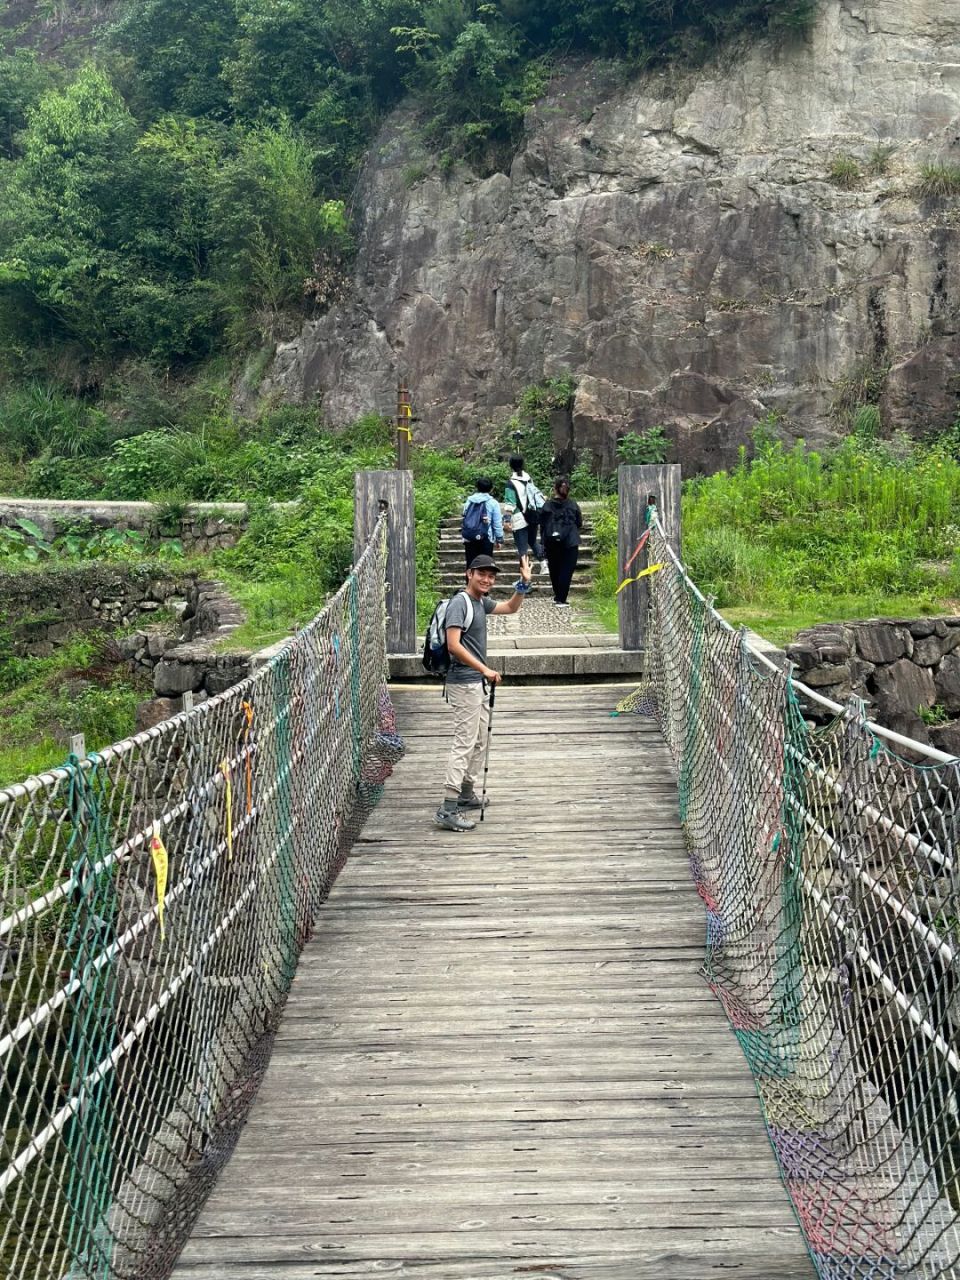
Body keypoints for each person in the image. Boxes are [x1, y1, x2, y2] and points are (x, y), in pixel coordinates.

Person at [435, 553, 532, 832]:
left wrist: (522, 584)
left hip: (476, 682)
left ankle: (466, 794)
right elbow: (453, 645)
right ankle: (447, 808)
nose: (487, 579)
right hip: (464, 682)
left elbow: (510, 608)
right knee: (464, 743)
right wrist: (485, 669)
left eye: (491, 576)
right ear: (469, 574)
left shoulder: (480, 602)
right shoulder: (460, 603)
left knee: (480, 740)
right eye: (482, 574)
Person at [539, 475, 582, 608]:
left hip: (552, 541)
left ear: (554, 489)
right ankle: (561, 598)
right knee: (566, 570)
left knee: (554, 569)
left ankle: (558, 595)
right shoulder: (573, 505)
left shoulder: (547, 506)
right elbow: (579, 523)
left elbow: (542, 524)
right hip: (570, 541)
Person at [502, 455, 548, 574]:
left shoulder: (511, 483)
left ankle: (525, 577)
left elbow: (510, 503)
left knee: (522, 548)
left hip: (519, 517)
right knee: (532, 541)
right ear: (523, 464)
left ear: (510, 466)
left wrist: (506, 520)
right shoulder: (528, 479)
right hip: (532, 515)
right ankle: (544, 565)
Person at [461, 476, 504, 568]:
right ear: (491, 489)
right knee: (486, 565)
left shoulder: (469, 501)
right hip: (486, 537)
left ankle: (470, 581)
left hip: (470, 536)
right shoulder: (493, 503)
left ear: (477, 487)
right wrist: (499, 539)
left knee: (471, 565)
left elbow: (464, 515)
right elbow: (497, 523)